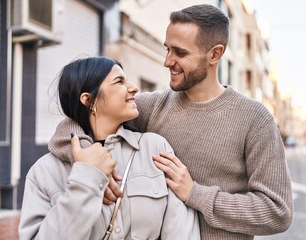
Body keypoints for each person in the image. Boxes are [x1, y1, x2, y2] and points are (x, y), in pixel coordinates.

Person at [54, 4, 293, 240]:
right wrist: (91, 165)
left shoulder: (254, 119)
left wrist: (196, 194)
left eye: (180, 53)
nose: (167, 61)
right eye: (167, 49)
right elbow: (75, 122)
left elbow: (277, 211)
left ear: (215, 54)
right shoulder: (152, 107)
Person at [18, 57, 200, 240]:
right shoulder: (45, 172)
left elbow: (183, 232)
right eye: (119, 81)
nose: (134, 88)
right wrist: (86, 178)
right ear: (89, 100)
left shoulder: (154, 148)